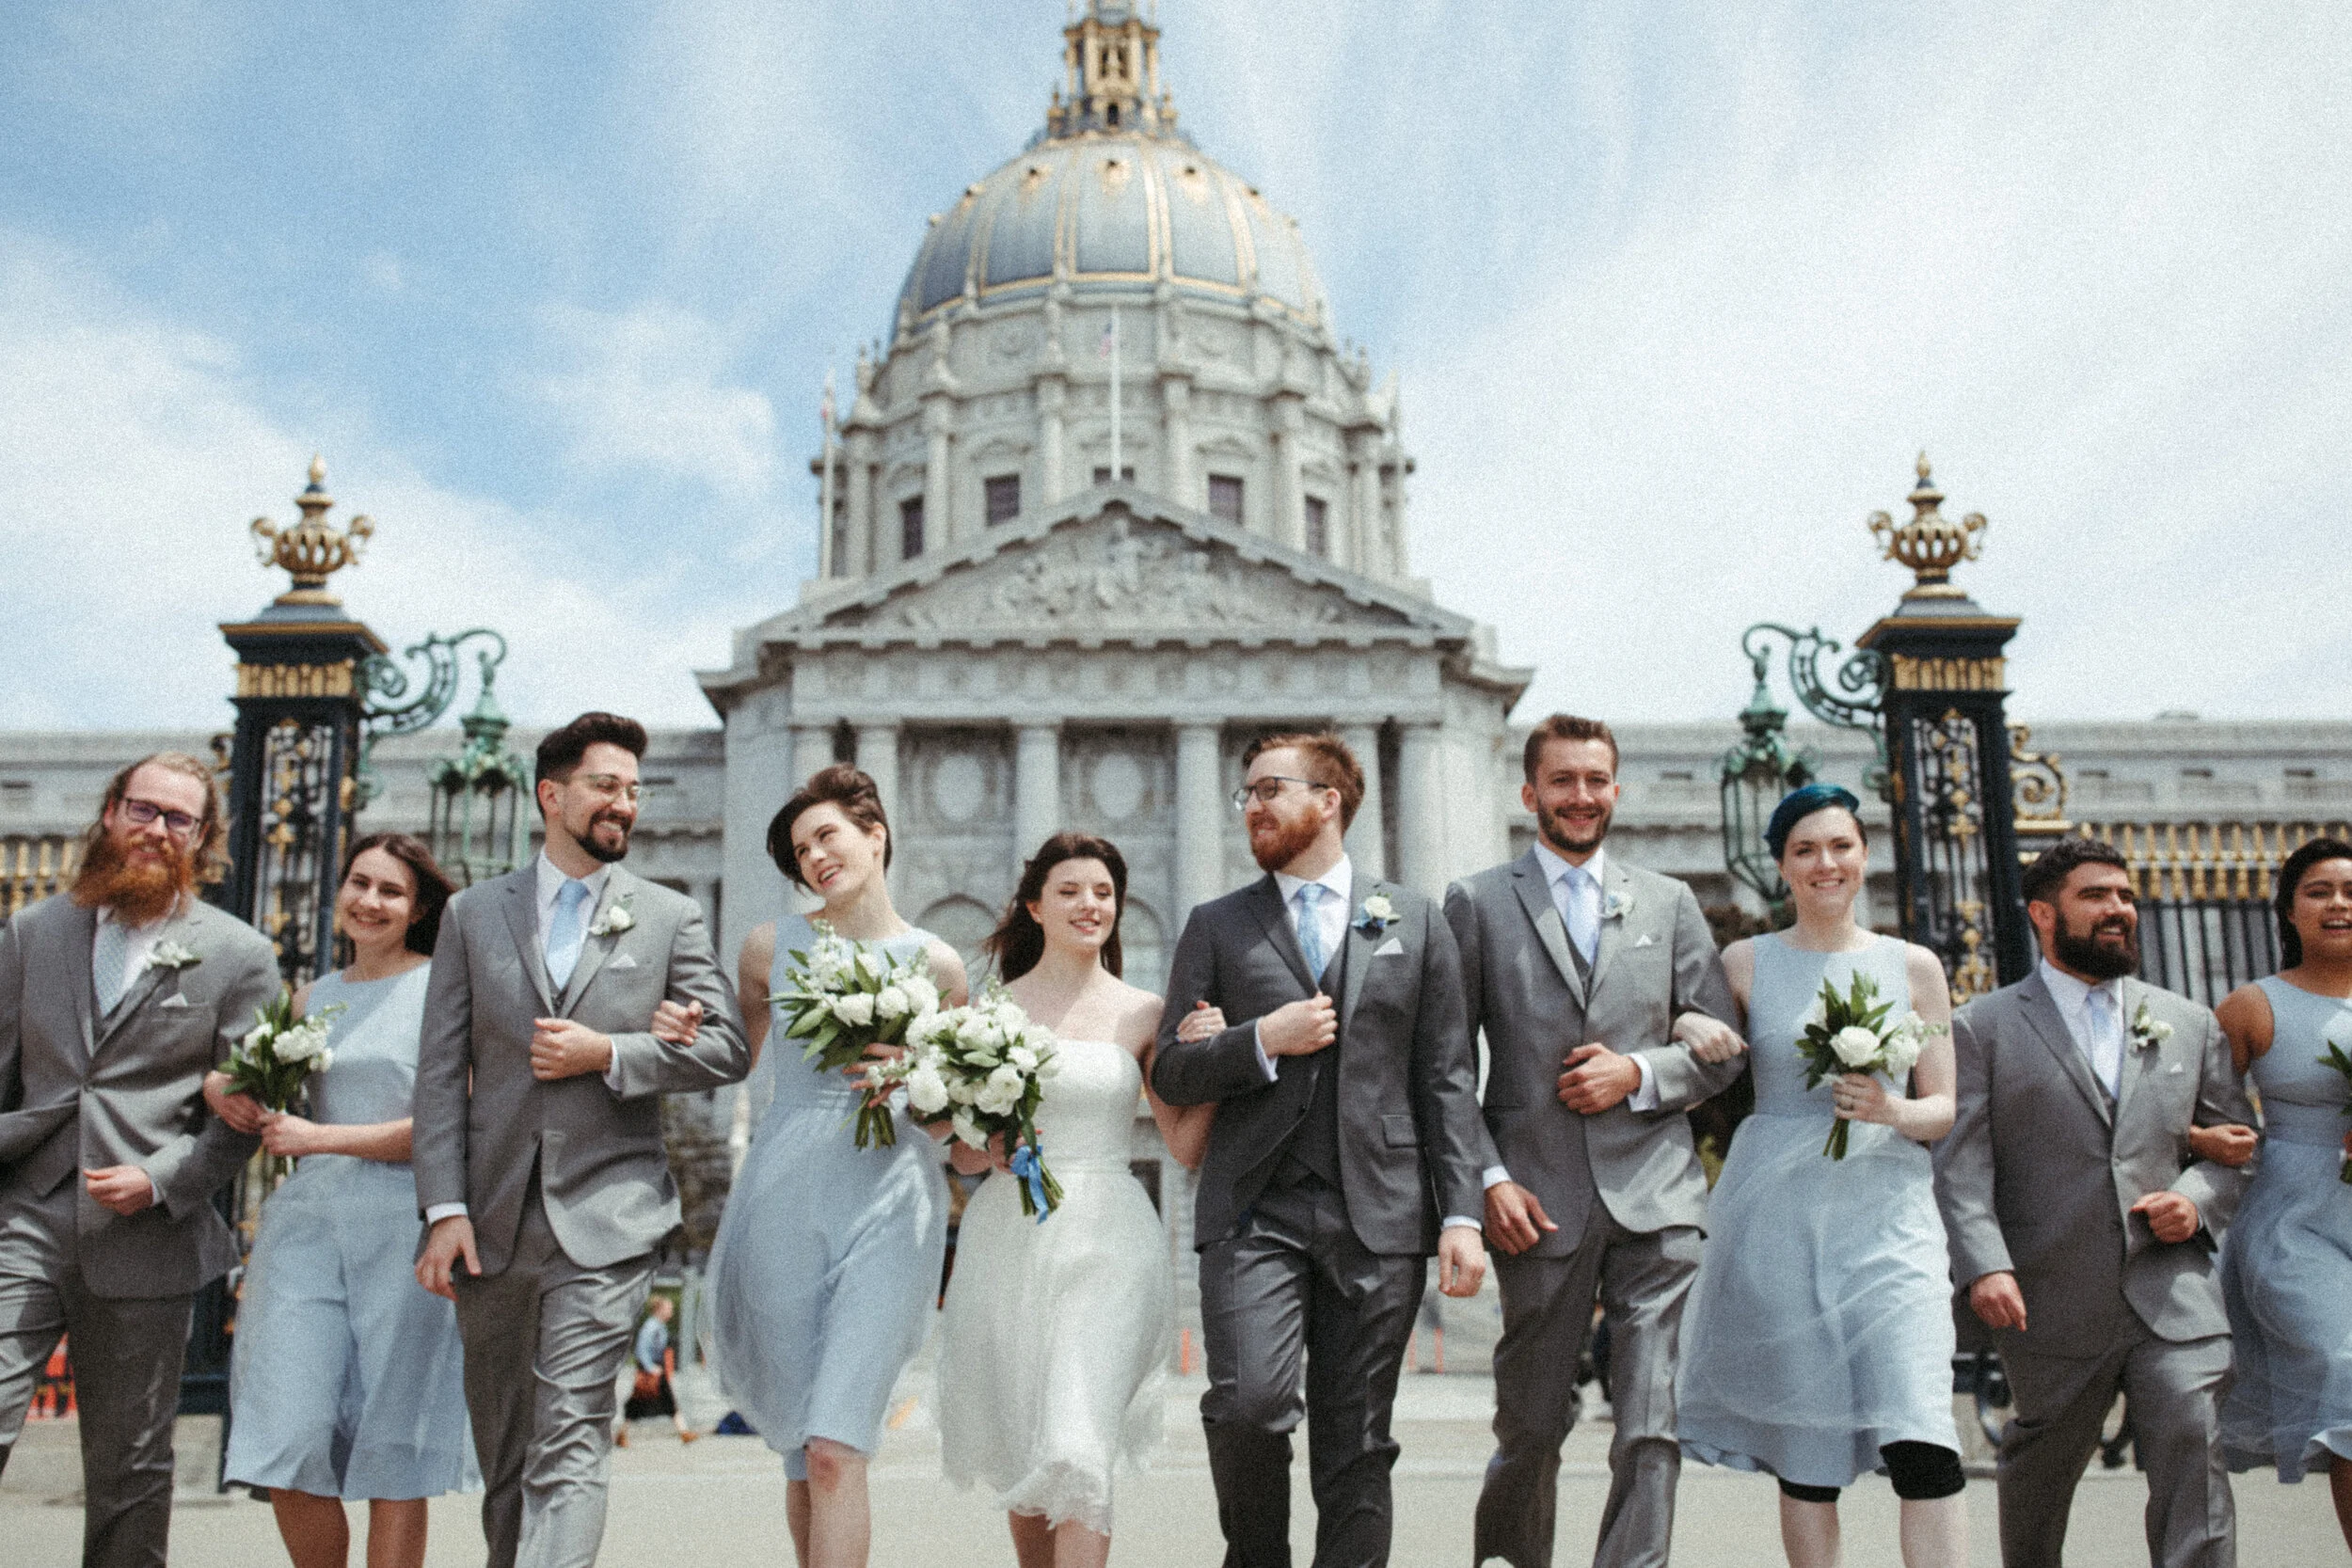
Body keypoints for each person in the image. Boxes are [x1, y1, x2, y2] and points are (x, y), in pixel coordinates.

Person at [411, 711, 748, 1568]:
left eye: (634, 790)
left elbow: (727, 1048)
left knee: (570, 1438)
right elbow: (440, 1074)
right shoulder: (471, 915)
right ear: (550, 795)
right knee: (507, 1458)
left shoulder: (669, 916)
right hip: (489, 1221)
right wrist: (444, 1208)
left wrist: (613, 1052)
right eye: (606, 785)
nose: (624, 803)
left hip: (608, 1214)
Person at [1152, 731, 1489, 1568]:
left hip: (1380, 1211)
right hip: (1253, 1209)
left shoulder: (1415, 917)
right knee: (1248, 1408)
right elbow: (1171, 1069)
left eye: (1271, 789)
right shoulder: (1216, 924)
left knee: (1359, 1441)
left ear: (1329, 800)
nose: (1253, 807)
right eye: (1247, 794)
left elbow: (1446, 1077)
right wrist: (1261, 1037)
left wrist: (1462, 1214)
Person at [1444, 713, 1744, 1568]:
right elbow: (1444, 1067)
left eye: (1596, 780)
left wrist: (1639, 1073)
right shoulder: (1477, 901)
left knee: (1652, 1421)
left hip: (1658, 1195)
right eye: (1563, 780)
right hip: (1532, 1200)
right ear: (1529, 791)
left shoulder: (1669, 901)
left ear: (1617, 788)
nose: (1581, 795)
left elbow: (1723, 1050)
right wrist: (1488, 1179)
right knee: (1532, 1423)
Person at [1933, 835, 2256, 1568]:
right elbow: (1961, 1167)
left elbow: (2239, 1147)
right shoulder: (1982, 1026)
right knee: (2043, 1467)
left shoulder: (2189, 1020)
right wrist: (1985, 1264)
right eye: (2096, 895)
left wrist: (2195, 1200)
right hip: (2048, 1294)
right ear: (2043, 913)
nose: (2119, 909)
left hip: (2173, 1291)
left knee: (2193, 1443)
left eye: (2125, 895)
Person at [1674, 784, 1966, 1568]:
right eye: (1805, 850)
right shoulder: (1744, 960)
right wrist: (1687, 1018)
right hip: (1779, 1218)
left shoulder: (1914, 966)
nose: (1825, 863)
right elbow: (1695, 1051)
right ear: (1781, 866)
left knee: (1922, 1430)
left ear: (1864, 855)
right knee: (1807, 1454)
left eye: (1840, 845)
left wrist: (1890, 1109)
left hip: (1889, 1216)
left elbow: (1943, 1106)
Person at [0, 752, 278, 1568]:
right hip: (26, 1213)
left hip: (147, 1234)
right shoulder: (32, 931)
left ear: (203, 836)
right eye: (143, 809)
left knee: (129, 1465)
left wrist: (160, 1179)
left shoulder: (238, 954)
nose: (156, 829)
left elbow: (243, 1115)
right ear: (111, 812)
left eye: (177, 818)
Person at [702, 763, 966, 1568]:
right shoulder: (766, 948)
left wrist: (916, 1081)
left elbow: (950, 1118)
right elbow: (730, 1058)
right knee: (800, 1449)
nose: (815, 857)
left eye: (827, 836)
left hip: (892, 1196)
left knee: (834, 1446)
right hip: (784, 1192)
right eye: (800, 851)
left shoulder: (939, 965)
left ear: (875, 834)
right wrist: (678, 1031)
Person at [935, 832, 1210, 1568]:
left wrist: (1213, 1064)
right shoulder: (991, 1011)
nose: (1090, 904)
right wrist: (989, 1144)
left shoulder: (1144, 1011)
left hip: (1110, 1242)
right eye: (1069, 890)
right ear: (1034, 905)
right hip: (1011, 1238)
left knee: (1078, 1444)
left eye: (1103, 892)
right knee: (1027, 1445)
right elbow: (964, 1155)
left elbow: (1183, 1144)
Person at [210, 832, 478, 1568]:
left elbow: (451, 1123)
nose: (370, 900)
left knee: (396, 1448)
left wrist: (321, 1136)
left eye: (391, 890)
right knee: (286, 1436)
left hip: (407, 1223)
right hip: (308, 1228)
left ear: (418, 907)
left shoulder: (445, 990)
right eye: (359, 882)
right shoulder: (310, 998)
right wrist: (220, 1084)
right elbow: (244, 1078)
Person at [2214, 834, 2352, 1549]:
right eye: (2318, 891)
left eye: (2350, 892)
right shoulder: (2252, 1005)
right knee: (2347, 1371)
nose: (2338, 904)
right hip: (2296, 1222)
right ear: (2290, 911)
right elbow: (2199, 1114)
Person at [616, 1294, 696, 1446]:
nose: (671, 1311)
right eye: (668, 1308)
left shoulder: (660, 1326)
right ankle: (683, 1432)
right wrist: (650, 1367)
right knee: (643, 1401)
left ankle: (683, 1432)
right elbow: (641, 1349)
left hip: (658, 1369)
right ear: (659, 1309)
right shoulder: (651, 1327)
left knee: (643, 1402)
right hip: (652, 1371)